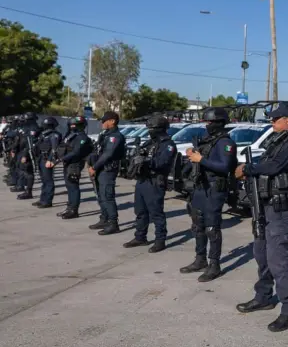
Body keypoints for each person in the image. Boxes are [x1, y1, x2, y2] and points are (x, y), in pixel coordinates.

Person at [234, 102, 288, 333]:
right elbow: (266, 163)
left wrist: (247, 169)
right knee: (261, 253)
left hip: (278, 207)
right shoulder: (277, 140)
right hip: (264, 204)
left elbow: (273, 167)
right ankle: (263, 296)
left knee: (278, 258)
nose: (272, 123)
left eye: (275, 119)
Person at [180, 107, 237, 282]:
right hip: (199, 188)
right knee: (198, 226)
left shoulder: (225, 143)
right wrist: (192, 156)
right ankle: (200, 259)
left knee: (212, 228)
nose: (207, 125)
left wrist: (201, 160)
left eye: (210, 122)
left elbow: (225, 167)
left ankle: (214, 265)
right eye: (206, 122)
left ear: (219, 123)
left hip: (214, 189)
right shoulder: (207, 141)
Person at [123, 115, 177, 253]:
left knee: (156, 213)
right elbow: (141, 154)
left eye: (151, 128)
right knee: (140, 211)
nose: (149, 131)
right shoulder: (149, 142)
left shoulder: (168, 145)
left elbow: (162, 163)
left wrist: (146, 160)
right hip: (143, 180)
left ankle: (160, 240)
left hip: (154, 182)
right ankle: (140, 237)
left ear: (159, 129)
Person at [88, 111, 126, 235]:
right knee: (101, 196)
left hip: (108, 170)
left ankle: (113, 223)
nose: (102, 123)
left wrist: (94, 167)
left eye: (104, 121)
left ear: (112, 121)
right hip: (101, 169)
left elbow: (108, 154)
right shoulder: (105, 135)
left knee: (107, 196)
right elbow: (98, 151)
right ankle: (104, 219)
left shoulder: (116, 136)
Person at [57, 116, 94, 220]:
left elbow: (76, 152)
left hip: (75, 163)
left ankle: (74, 210)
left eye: (74, 125)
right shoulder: (70, 135)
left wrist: (61, 159)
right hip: (68, 162)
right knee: (69, 186)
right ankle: (69, 207)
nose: (72, 127)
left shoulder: (82, 137)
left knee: (73, 186)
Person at [33, 116, 62, 209]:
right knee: (44, 180)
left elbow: (54, 149)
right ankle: (42, 199)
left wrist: (50, 160)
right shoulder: (44, 134)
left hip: (47, 159)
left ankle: (47, 201)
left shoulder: (54, 135)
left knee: (48, 181)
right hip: (41, 158)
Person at [13, 112, 40, 200]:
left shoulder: (34, 128)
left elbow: (30, 143)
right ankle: (25, 189)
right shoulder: (26, 127)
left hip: (29, 152)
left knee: (29, 172)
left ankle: (29, 192)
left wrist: (25, 155)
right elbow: (19, 138)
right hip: (23, 151)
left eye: (27, 120)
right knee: (23, 170)